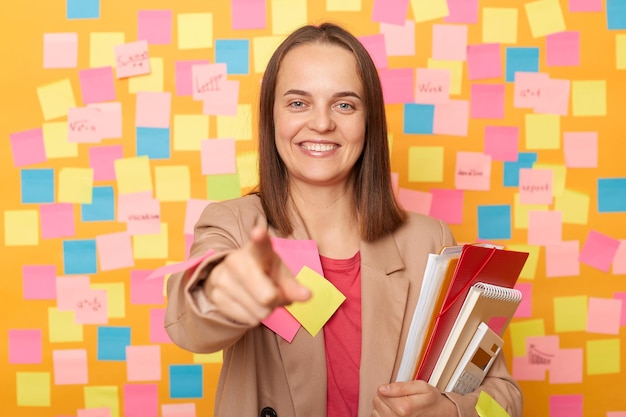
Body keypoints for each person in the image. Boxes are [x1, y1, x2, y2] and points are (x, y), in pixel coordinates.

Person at [165, 22, 523, 417]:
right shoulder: (233, 224)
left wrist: (452, 410)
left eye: (344, 104)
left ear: (369, 122)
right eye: (298, 103)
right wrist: (220, 287)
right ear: (271, 117)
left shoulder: (429, 242)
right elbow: (189, 323)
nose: (321, 123)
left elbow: (503, 395)